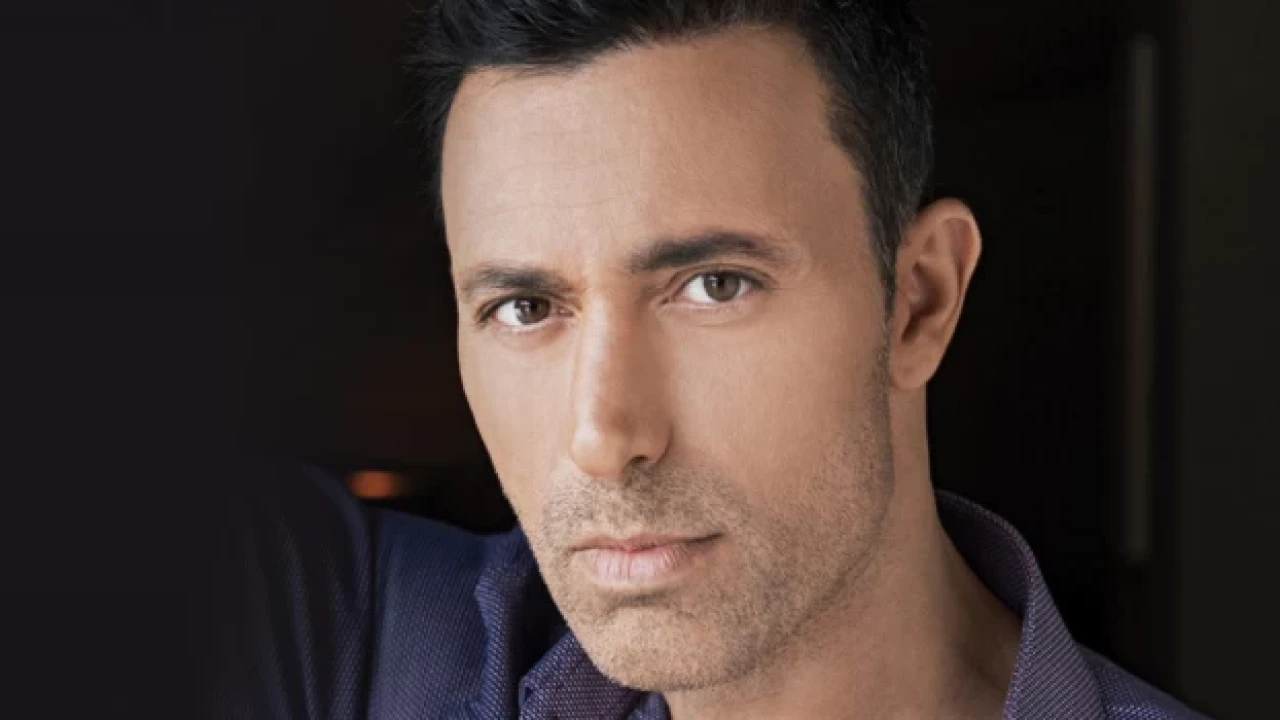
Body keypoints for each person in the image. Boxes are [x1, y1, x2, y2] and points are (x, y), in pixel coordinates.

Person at [221, 1, 1206, 718]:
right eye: (525, 307)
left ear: (918, 301)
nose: (605, 436)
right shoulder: (371, 644)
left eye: (715, 286)